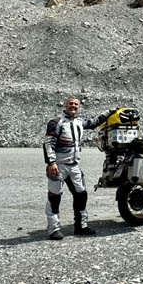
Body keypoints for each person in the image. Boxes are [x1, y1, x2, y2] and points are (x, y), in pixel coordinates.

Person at [42, 97, 101, 240]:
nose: (73, 106)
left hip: (74, 166)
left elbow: (94, 123)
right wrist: (51, 163)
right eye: (71, 104)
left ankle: (81, 226)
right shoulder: (56, 122)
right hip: (58, 166)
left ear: (79, 107)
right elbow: (48, 143)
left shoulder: (79, 122)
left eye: (76, 104)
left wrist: (112, 112)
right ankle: (54, 229)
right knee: (54, 197)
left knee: (81, 195)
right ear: (66, 105)